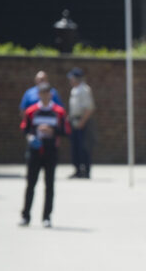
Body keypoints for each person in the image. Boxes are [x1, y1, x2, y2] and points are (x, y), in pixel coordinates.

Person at [19, 83, 69, 227]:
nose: (45, 96)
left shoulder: (58, 111)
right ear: (39, 95)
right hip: (34, 152)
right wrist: (31, 137)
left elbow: (65, 130)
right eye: (42, 94)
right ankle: (26, 216)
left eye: (47, 94)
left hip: (51, 152)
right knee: (30, 184)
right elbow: (25, 129)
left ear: (51, 95)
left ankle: (46, 217)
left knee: (49, 185)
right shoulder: (31, 111)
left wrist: (52, 131)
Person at [66, 68, 95, 179]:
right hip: (74, 120)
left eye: (72, 78)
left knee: (84, 147)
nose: (70, 80)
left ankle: (85, 171)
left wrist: (82, 121)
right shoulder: (75, 90)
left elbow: (89, 108)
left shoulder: (84, 89)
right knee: (75, 147)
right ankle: (77, 170)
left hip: (82, 121)